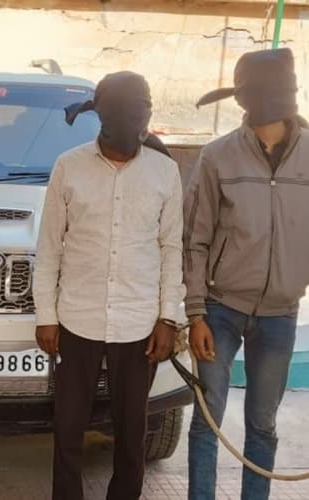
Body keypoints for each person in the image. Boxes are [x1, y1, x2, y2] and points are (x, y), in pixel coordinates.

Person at [33, 71, 185, 500]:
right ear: (101, 117)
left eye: (141, 114)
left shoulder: (164, 172)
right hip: (76, 319)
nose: (135, 125)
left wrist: (167, 318)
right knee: (68, 430)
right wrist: (46, 316)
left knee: (132, 434)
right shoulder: (69, 167)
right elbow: (49, 248)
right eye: (125, 116)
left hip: (139, 324)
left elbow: (171, 249)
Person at [184, 47, 309, 500]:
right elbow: (195, 238)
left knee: (263, 424)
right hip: (220, 310)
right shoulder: (217, 156)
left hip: (281, 314)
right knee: (208, 420)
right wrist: (195, 313)